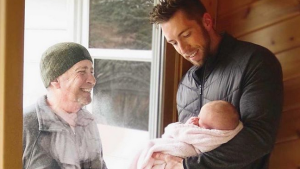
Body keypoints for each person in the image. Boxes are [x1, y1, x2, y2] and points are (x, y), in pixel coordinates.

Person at [149, 0, 283, 168]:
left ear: (206, 22)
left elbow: (259, 138)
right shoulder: (185, 85)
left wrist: (186, 166)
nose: (182, 49)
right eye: (174, 43)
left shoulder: (255, 62)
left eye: (186, 35)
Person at [23, 42, 107, 169]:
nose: (92, 80)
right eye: (82, 72)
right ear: (55, 80)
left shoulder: (89, 121)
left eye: (91, 71)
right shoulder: (24, 125)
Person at [131, 100, 243, 169]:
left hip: (179, 159)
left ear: (210, 130)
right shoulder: (185, 83)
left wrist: (188, 126)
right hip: (173, 158)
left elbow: (178, 132)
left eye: (200, 122)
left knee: (147, 150)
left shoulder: (209, 138)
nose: (196, 122)